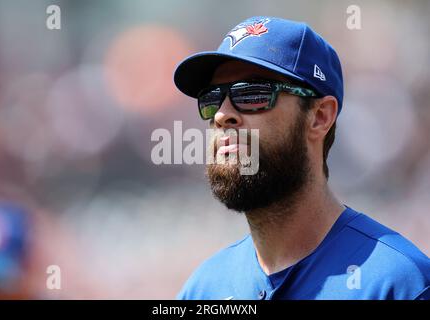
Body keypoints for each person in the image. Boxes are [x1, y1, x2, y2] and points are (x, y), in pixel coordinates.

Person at [173, 16, 430, 300]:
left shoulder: (400, 284)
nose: (222, 115)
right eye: (211, 99)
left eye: (253, 94)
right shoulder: (203, 289)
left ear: (320, 117)